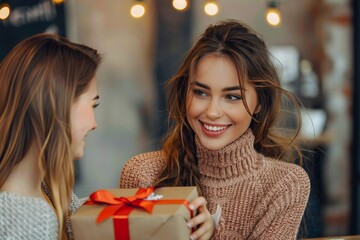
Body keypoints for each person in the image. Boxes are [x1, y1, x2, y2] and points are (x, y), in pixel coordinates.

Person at [120, 20, 310, 240]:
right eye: (201, 92)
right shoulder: (143, 175)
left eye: (232, 97)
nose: (212, 111)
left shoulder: (284, 185)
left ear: (259, 103)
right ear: (185, 94)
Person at [0, 33, 101, 240]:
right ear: (60, 105)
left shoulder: (49, 190)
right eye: (93, 104)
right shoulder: (30, 218)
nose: (94, 124)